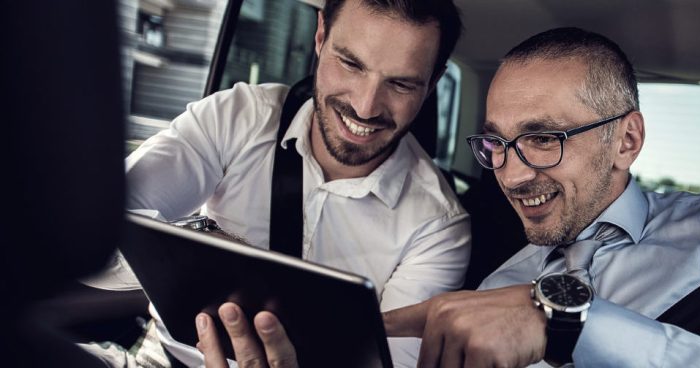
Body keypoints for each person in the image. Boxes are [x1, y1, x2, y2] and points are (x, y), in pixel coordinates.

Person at [197, 27, 700, 367]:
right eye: (497, 144)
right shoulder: (499, 283)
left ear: (627, 139)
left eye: (541, 139)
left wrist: (570, 328)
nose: (509, 174)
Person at [83, 0, 470, 367]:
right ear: (320, 36)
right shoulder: (238, 117)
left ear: (434, 81)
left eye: (401, 85)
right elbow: (94, 230)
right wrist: (206, 244)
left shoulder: (438, 227)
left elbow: (388, 362)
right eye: (350, 63)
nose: (366, 107)